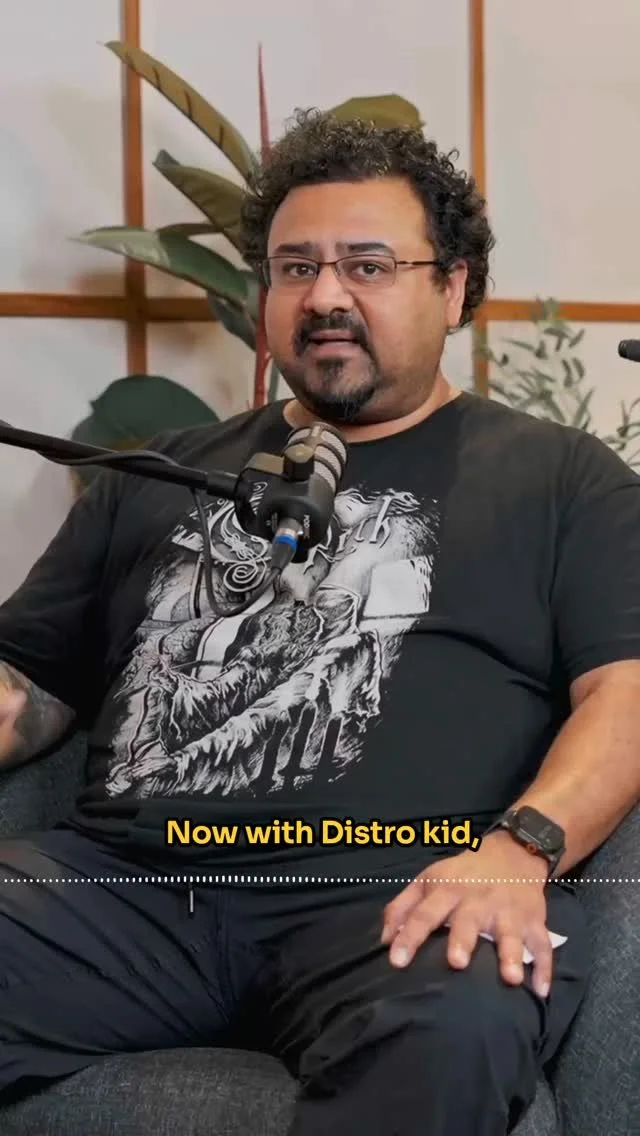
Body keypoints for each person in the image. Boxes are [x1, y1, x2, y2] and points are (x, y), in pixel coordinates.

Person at [0, 108, 639, 1136]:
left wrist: (518, 849)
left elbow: (627, 690)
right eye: (296, 267)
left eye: (368, 265)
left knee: (458, 1021)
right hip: (125, 894)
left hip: (394, 894)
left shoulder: (563, 480)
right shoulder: (158, 474)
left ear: (453, 287)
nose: (326, 294)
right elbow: (26, 686)